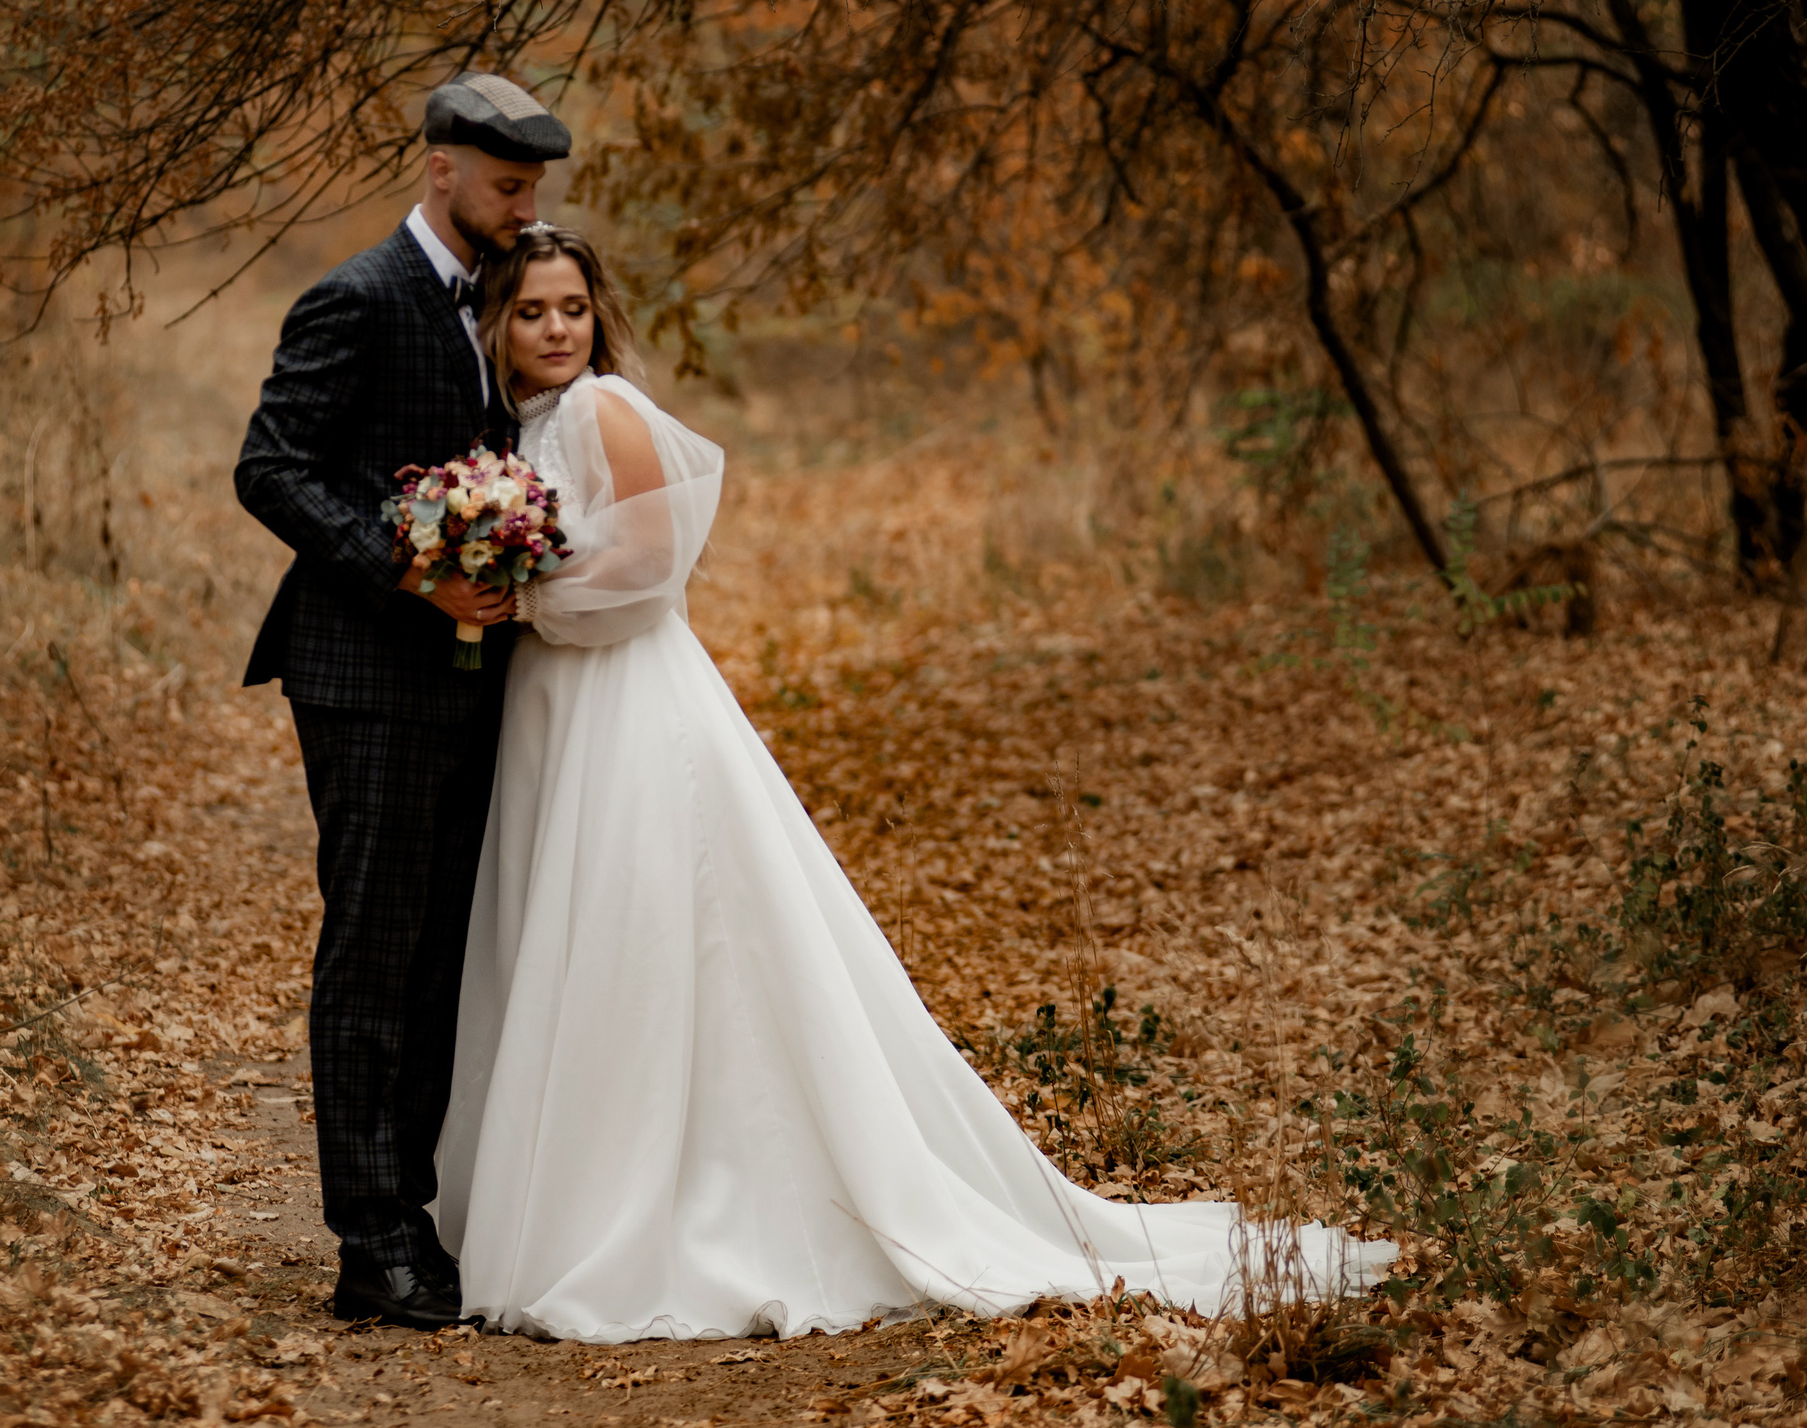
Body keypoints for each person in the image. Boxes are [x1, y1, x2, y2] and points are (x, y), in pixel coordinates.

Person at [435, 225, 1400, 1342]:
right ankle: (581, 1182)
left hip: (628, 702)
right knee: (575, 927)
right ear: (497, 325)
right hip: (555, 705)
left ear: (597, 314)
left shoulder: (606, 410)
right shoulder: (521, 429)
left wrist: (529, 597)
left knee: (649, 923)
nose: (556, 329)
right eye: (531, 312)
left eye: (571, 307)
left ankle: (664, 1202)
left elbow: (652, 570)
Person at [234, 74, 572, 1329]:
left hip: (474, 685)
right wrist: (413, 570)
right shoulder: (358, 297)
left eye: (532, 189)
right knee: (374, 952)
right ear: (438, 170)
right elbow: (268, 467)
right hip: (364, 674)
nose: (521, 208)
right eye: (503, 187)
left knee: (439, 961)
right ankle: (364, 1238)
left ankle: (413, 1216)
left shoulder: (493, 302)